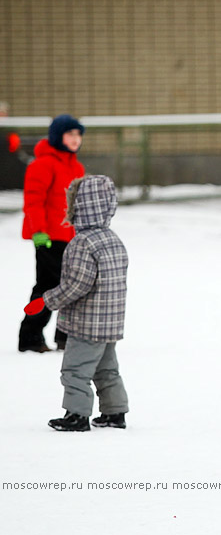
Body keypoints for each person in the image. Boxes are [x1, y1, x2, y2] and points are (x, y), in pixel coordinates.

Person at [23, 175, 129, 431]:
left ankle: (77, 415)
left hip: (86, 323)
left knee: (75, 370)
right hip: (110, 321)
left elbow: (77, 286)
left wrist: (46, 300)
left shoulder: (82, 243)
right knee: (107, 369)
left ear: (79, 206)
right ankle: (115, 413)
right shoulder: (113, 239)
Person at [18, 114, 86, 352]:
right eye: (70, 134)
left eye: (78, 134)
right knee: (48, 287)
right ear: (58, 137)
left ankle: (65, 336)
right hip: (48, 237)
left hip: (71, 238)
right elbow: (33, 201)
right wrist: (38, 231)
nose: (76, 139)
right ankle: (30, 336)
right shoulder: (42, 164)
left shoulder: (76, 166)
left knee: (73, 287)